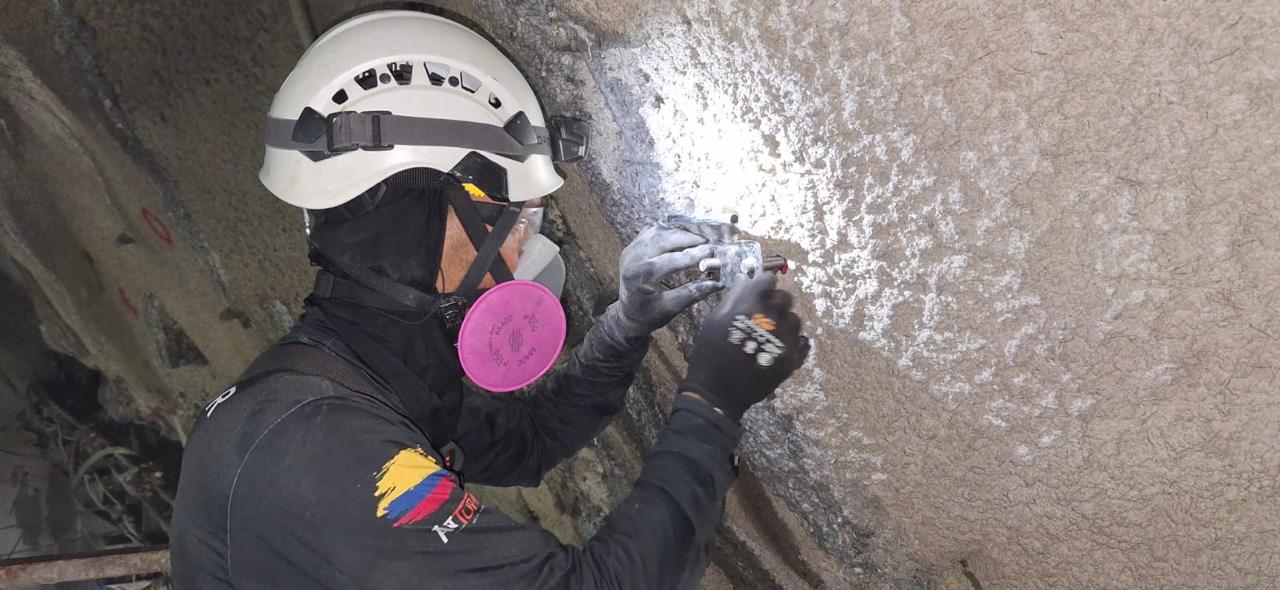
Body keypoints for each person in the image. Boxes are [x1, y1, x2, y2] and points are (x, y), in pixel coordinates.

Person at [170, 8, 809, 589]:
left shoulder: (352, 381)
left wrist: (627, 323)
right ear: (430, 221)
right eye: (513, 218)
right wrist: (712, 402)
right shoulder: (324, 454)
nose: (527, 245)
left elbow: (530, 438)